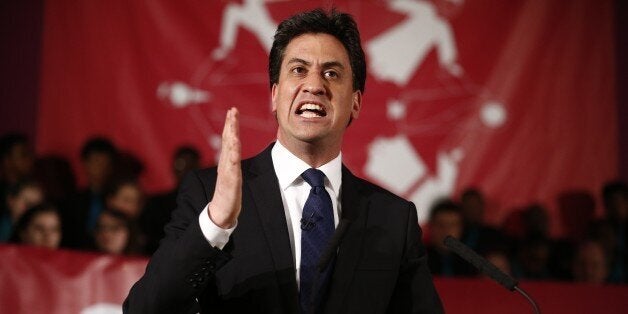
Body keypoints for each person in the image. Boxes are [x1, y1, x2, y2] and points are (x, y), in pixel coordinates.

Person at [125, 8, 443, 313]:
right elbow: (145, 309)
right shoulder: (209, 194)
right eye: (298, 69)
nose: (315, 85)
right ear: (275, 95)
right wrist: (216, 224)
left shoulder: (393, 218)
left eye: (332, 73)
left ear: (356, 103)